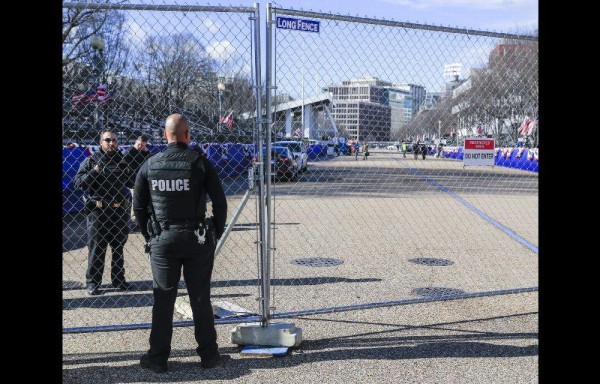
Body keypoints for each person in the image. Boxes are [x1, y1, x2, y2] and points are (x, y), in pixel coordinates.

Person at [133, 113, 228, 373]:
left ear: (165, 136)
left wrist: (150, 236)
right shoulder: (200, 163)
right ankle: (209, 355)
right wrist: (215, 233)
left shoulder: (150, 165)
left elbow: (138, 207)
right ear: (188, 135)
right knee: (200, 297)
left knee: (163, 299)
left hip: (163, 239)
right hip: (196, 239)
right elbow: (220, 202)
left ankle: (158, 358)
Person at [74, 130, 133, 296]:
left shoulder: (122, 160)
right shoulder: (91, 160)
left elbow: (132, 182)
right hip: (98, 212)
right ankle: (93, 282)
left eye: (114, 140)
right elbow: (78, 183)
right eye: (108, 140)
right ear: (101, 142)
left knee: (118, 247)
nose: (112, 143)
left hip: (119, 210)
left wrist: (128, 170)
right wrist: (95, 171)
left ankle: (118, 280)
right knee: (97, 248)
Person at [123, 135, 152, 220]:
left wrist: (147, 151)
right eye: (139, 144)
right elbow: (129, 168)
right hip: (132, 181)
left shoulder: (143, 152)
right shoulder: (129, 151)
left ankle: (138, 217)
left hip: (141, 180)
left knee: (141, 199)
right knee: (136, 198)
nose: (140, 147)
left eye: (143, 145)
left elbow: (152, 160)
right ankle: (134, 218)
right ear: (136, 141)